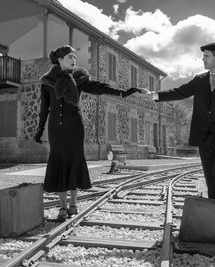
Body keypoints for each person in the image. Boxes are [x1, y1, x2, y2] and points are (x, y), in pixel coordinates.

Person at [34, 45, 144, 221]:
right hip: (56, 128)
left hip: (75, 127)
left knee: (74, 162)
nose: (74, 60)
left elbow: (99, 87)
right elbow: (44, 108)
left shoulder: (79, 79)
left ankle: (73, 205)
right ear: (60, 59)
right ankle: (62, 207)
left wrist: (123, 93)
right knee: (59, 163)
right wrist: (39, 130)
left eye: (75, 57)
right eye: (70, 57)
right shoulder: (47, 81)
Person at [148, 42, 215, 202]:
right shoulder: (199, 79)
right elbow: (180, 92)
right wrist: (156, 95)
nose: (203, 59)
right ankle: (214, 206)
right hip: (203, 135)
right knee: (209, 173)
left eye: (206, 56)